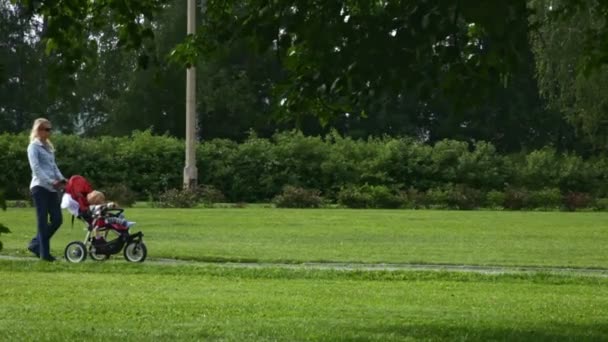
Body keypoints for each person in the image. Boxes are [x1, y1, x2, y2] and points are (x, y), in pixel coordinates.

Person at [27, 118, 66, 261]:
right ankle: (45, 254)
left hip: (52, 189)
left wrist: (61, 180)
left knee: (57, 219)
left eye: (50, 129)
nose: (50, 132)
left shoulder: (49, 147)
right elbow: (36, 169)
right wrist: (51, 182)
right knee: (42, 220)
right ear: (39, 130)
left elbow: (53, 167)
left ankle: (35, 244)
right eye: (47, 129)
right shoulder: (33, 147)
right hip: (40, 187)